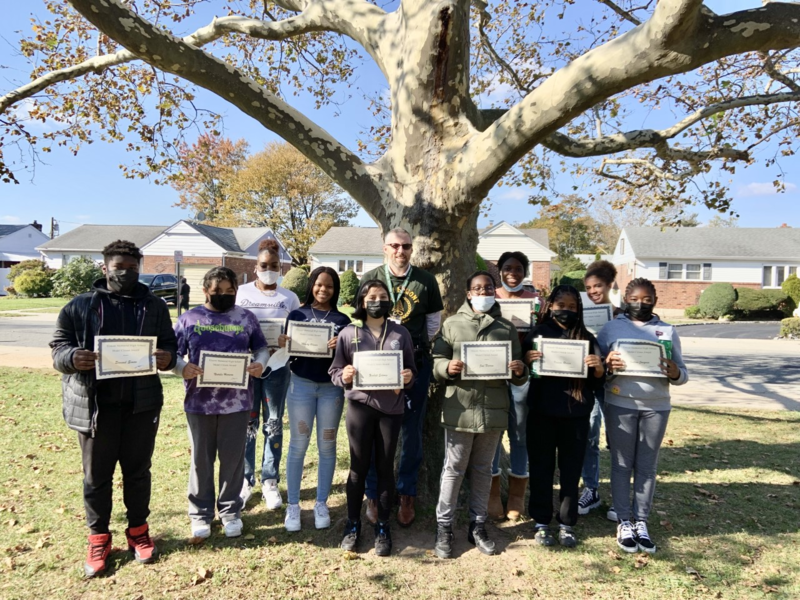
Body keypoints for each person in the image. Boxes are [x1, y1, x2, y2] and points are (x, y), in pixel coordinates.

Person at [50, 240, 177, 577]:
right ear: (104, 267)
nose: (126, 273)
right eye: (119, 267)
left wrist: (168, 358)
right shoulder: (79, 306)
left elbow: (169, 346)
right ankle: (99, 537)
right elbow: (59, 347)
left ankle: (138, 532)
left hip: (140, 405)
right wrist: (71, 358)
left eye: (133, 268)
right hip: (95, 408)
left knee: (138, 473)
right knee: (96, 477)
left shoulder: (154, 307)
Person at [432, 271, 528, 559]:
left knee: (484, 470)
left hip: (493, 409)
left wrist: (519, 370)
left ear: (494, 291)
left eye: (488, 287)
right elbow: (437, 360)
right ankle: (444, 527)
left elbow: (518, 372)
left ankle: (478, 525)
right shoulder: (452, 324)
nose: (483, 292)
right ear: (468, 293)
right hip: (459, 409)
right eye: (477, 288)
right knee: (454, 468)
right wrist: (446, 368)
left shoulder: (505, 328)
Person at [173, 267, 268, 539]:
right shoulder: (188, 319)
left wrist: (260, 362)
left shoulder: (246, 318)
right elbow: (172, 355)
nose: (224, 296)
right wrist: (182, 367)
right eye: (217, 292)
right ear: (205, 290)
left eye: (230, 291)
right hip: (199, 403)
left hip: (237, 402)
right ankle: (200, 513)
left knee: (233, 460)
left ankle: (230, 511)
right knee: (201, 460)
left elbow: (260, 347)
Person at [359, 227, 443, 526]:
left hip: (414, 365)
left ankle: (407, 494)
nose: (400, 251)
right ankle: (373, 493)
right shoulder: (372, 277)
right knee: (371, 431)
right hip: (375, 364)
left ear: (412, 249)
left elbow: (433, 325)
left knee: (411, 433)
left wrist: (408, 345)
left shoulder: (425, 280)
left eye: (406, 246)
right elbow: (361, 317)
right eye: (394, 246)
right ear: (385, 248)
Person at [598, 278, 688, 554]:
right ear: (625, 298)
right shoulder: (611, 328)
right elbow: (598, 373)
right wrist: (607, 366)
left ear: (655, 300)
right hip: (620, 404)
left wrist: (674, 372)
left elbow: (682, 374)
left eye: (647, 299)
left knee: (647, 467)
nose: (640, 303)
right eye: (635, 298)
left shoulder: (667, 330)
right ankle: (624, 521)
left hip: (657, 406)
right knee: (622, 464)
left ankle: (641, 522)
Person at [329, 280, 416, 556]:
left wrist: (408, 377)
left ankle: (382, 525)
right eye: (371, 297)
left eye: (382, 296)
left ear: (389, 302)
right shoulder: (348, 332)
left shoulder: (401, 333)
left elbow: (412, 370)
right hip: (360, 409)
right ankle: (353, 524)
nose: (377, 301)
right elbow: (335, 370)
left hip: (391, 410)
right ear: (362, 302)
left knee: (385, 467)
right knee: (358, 468)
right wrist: (343, 376)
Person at [524, 285, 604, 548]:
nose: (566, 310)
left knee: (570, 472)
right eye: (561, 305)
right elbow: (523, 374)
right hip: (541, 413)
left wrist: (598, 370)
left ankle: (567, 523)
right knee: (541, 468)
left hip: (576, 417)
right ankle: (541, 522)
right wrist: (527, 359)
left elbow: (595, 384)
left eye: (571, 306)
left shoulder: (587, 337)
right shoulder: (537, 334)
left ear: (578, 309)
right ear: (550, 306)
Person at [280, 267, 351, 532]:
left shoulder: (343, 321)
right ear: (311, 285)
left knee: (327, 445)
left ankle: (321, 503)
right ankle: (293, 505)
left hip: (331, 389)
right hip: (301, 386)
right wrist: (284, 341)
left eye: (329, 286)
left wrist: (340, 346)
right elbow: (287, 351)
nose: (323, 290)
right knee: (298, 444)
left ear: (335, 289)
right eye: (319, 285)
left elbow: (349, 358)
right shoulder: (296, 315)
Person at [236, 239, 301, 509]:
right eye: (264, 265)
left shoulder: (290, 298)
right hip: (247, 368)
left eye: (274, 266)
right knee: (248, 424)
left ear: (281, 267)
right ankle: (246, 479)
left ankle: (270, 479)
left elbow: (298, 335)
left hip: (278, 367)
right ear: (255, 267)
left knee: (273, 422)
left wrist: (289, 341)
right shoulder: (240, 294)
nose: (269, 269)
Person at [489, 251, 539, 521]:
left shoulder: (535, 301)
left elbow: (542, 336)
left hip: (522, 376)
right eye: (507, 268)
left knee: (519, 436)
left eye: (518, 268)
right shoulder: (489, 296)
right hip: (492, 375)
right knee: (494, 435)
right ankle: (493, 493)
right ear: (499, 270)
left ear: (525, 271)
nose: (513, 273)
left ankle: (517, 496)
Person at [578, 260, 624, 520]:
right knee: (590, 437)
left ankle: (619, 498)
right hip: (588, 384)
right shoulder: (580, 313)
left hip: (615, 385)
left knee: (618, 440)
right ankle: (591, 489)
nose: (594, 291)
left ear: (609, 285)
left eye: (598, 286)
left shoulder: (623, 315)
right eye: (589, 287)